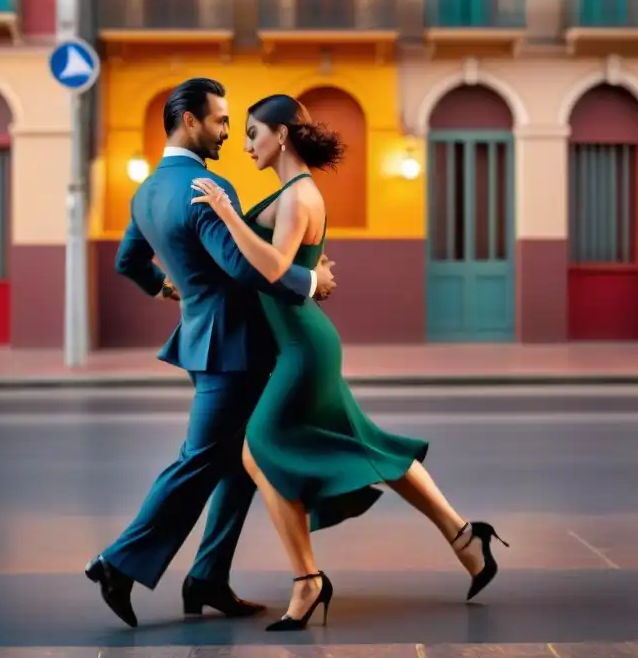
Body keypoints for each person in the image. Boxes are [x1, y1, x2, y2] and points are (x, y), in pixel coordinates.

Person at [190, 93, 507, 632]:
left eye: (252, 134)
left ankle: (307, 581)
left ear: (282, 134)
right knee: (363, 444)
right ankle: (464, 536)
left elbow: (272, 267)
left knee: (259, 452)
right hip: (301, 341)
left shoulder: (298, 195)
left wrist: (225, 214)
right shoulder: (292, 193)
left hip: (303, 349)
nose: (245, 145)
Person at [84, 78, 338, 628]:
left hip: (203, 336)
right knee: (201, 457)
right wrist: (312, 281)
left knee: (240, 461)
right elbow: (251, 269)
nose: (227, 132)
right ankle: (117, 563)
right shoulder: (205, 186)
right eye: (221, 121)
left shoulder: (147, 190)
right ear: (190, 121)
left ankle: (208, 576)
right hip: (235, 346)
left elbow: (129, 261)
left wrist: (170, 287)